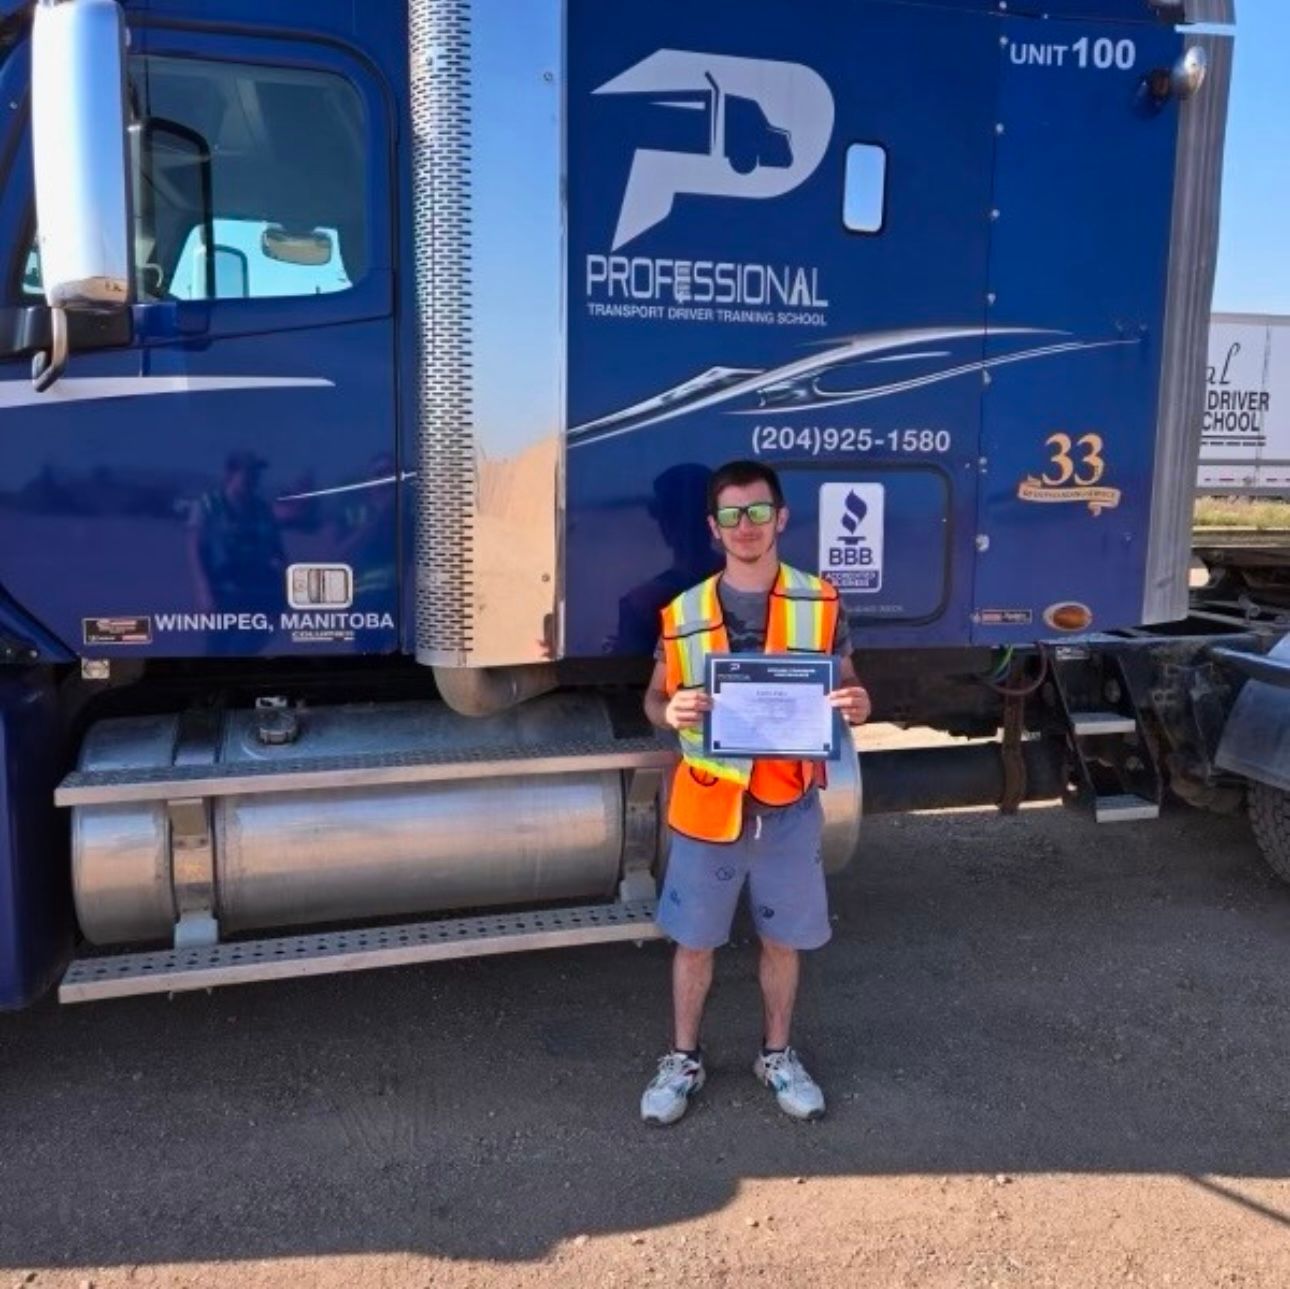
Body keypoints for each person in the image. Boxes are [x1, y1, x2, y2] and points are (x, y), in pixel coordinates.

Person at [640, 459, 872, 1126]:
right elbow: (654, 698)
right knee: (695, 942)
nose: (748, 527)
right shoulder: (683, 612)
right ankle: (682, 1057)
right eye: (733, 515)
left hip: (787, 809)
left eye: (759, 512)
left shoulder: (821, 601)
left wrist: (858, 702)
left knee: (783, 942)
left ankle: (776, 1054)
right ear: (715, 528)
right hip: (709, 807)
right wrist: (671, 708)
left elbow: (850, 682)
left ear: (782, 518)